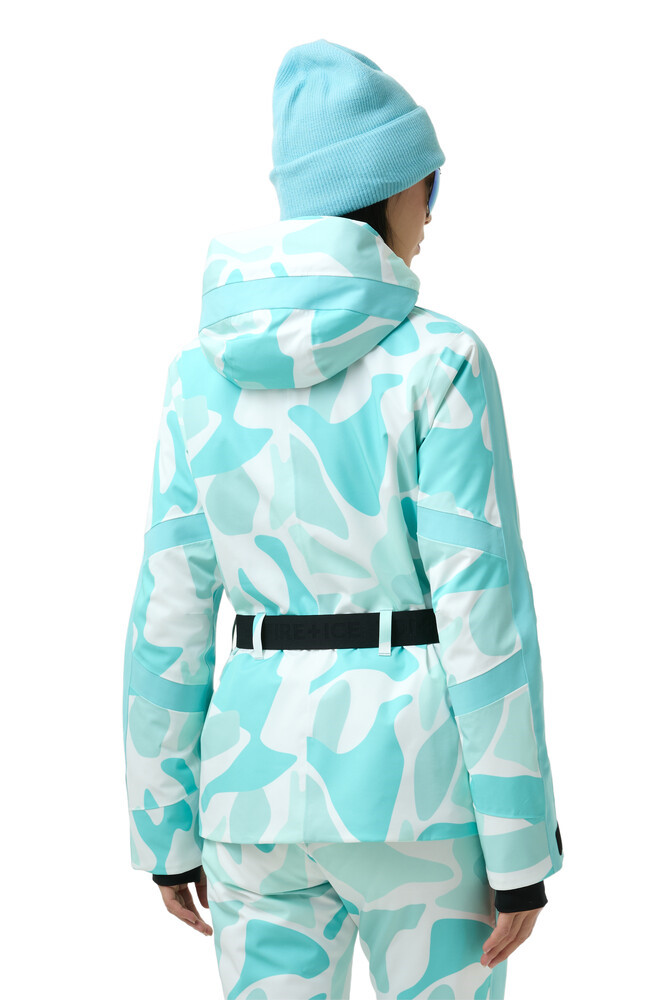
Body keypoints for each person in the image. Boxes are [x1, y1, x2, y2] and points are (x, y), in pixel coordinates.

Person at [122, 37, 563, 998]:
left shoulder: (198, 374)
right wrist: (520, 847)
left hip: (249, 796)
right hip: (420, 797)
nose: (431, 213)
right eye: (429, 185)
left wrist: (163, 825)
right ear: (393, 189)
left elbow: (170, 608)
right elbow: (480, 610)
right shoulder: (441, 359)